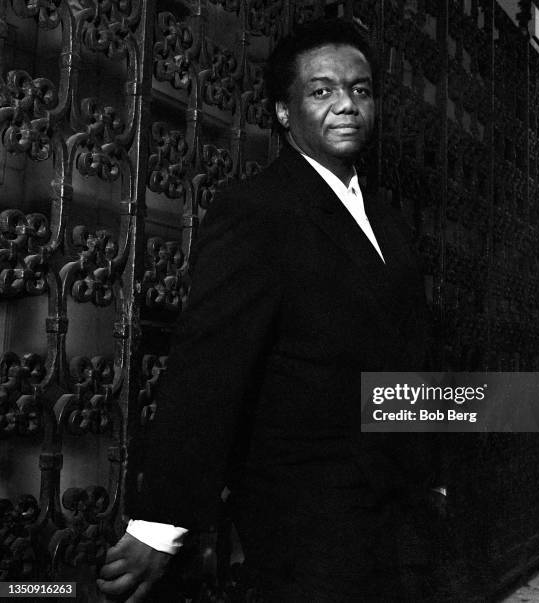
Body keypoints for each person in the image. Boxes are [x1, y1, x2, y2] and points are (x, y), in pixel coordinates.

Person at [98, 18, 441, 602]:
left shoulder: (387, 220)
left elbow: (405, 350)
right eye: (322, 90)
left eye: (359, 89)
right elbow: (209, 365)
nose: (346, 105)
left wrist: (430, 469)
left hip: (391, 507)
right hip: (305, 517)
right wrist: (162, 522)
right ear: (284, 113)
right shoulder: (257, 211)